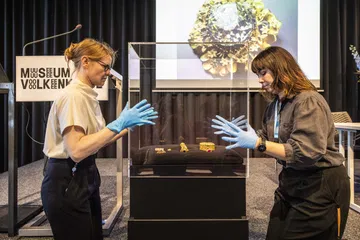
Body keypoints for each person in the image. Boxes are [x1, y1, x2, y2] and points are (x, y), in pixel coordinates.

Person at [211, 46, 350, 240]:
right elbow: (274, 140)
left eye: (263, 73)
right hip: (291, 183)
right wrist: (251, 137)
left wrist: (259, 143)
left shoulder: (308, 100)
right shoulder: (275, 105)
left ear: (281, 70)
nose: (260, 80)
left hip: (320, 185)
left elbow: (306, 152)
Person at [41, 38, 158, 240]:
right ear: (85, 61)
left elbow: (97, 140)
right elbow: (77, 151)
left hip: (84, 176)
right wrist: (118, 124)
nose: (108, 73)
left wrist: (126, 127)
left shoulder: (87, 95)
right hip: (67, 180)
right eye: (105, 66)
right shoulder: (74, 96)